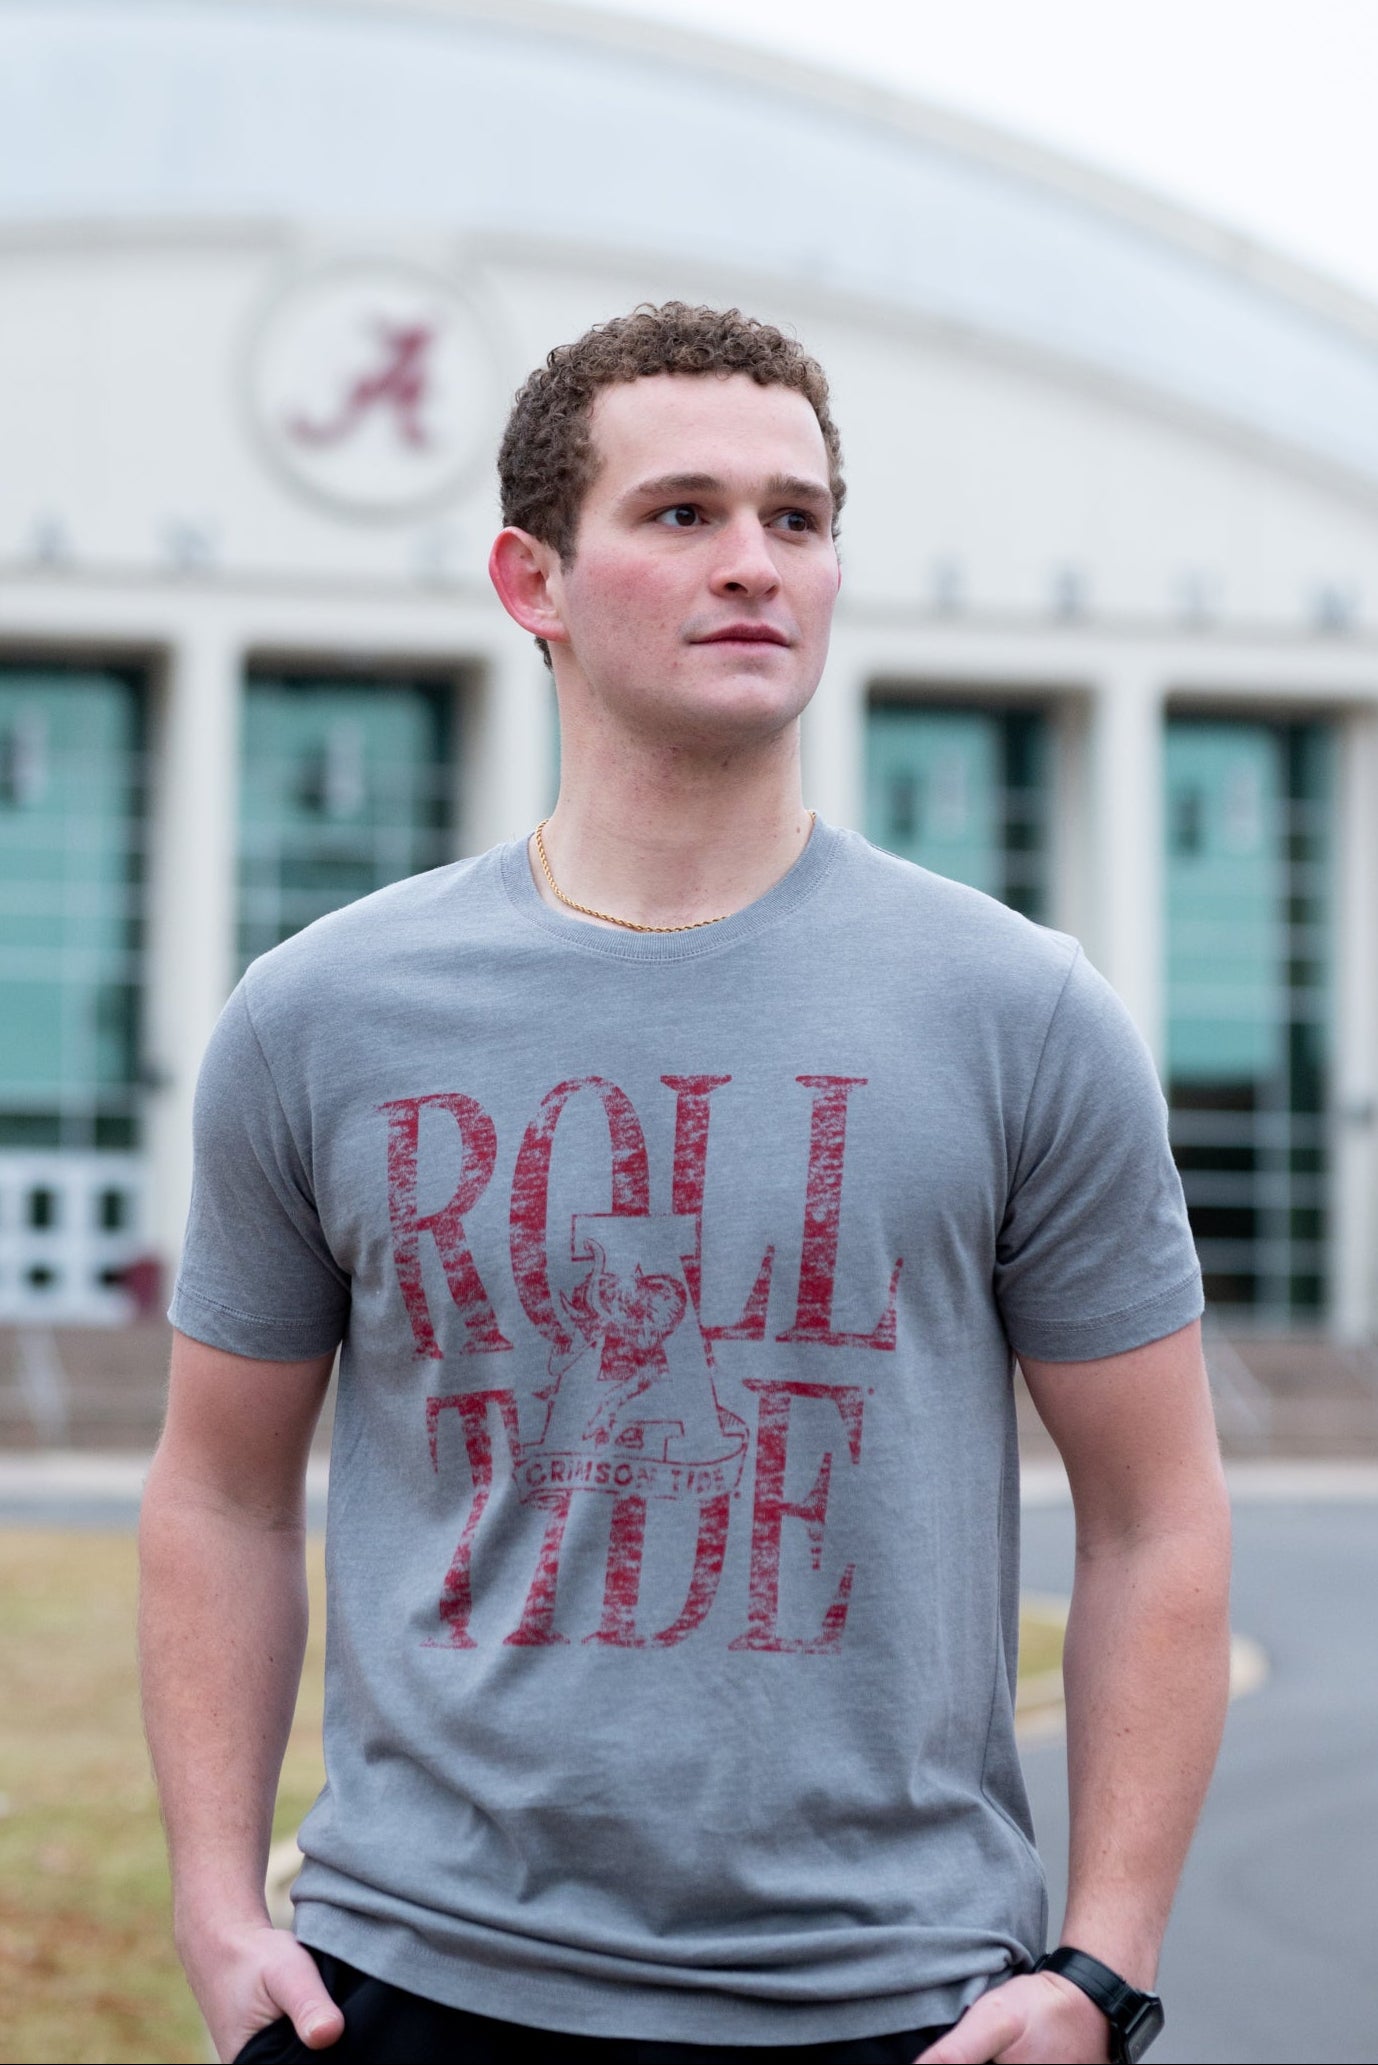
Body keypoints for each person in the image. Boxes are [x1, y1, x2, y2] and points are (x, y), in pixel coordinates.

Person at [139, 303, 1232, 2065]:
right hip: (415, 1987)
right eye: (682, 514)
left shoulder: (1018, 1010)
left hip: (896, 2002)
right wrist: (212, 1904)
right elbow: (219, 1494)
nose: (754, 564)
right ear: (531, 581)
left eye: (795, 520)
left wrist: (1099, 1970)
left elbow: (1158, 1515)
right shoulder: (324, 1015)